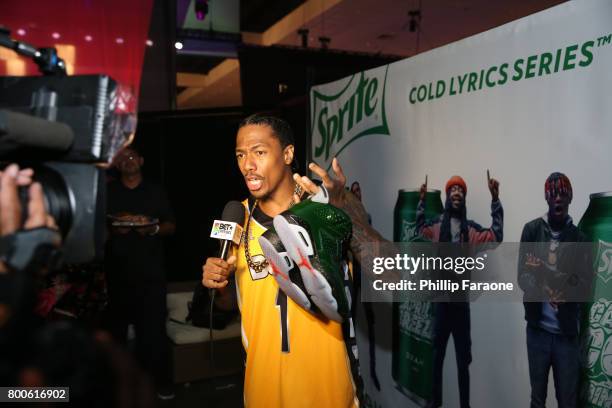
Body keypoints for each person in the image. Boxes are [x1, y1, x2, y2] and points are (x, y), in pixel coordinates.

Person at [202, 114, 387, 407]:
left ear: (288, 154)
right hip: (263, 394)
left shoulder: (329, 206)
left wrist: (346, 215)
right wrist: (219, 283)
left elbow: (393, 276)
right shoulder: (237, 218)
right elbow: (230, 305)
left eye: (259, 152)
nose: (247, 165)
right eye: (240, 155)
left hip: (329, 393)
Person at [416, 173, 503, 408]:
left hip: (461, 305)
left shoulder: (472, 231)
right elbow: (419, 229)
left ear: (464, 197)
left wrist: (495, 200)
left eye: (461, 190)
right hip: (441, 303)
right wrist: (421, 201)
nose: (457, 193)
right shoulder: (435, 227)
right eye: (453, 189)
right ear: (447, 196)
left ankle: (465, 405)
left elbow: (496, 236)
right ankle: (435, 403)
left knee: (463, 360)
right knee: (437, 358)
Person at [105, 146, 176, 399]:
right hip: (116, 275)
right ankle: (117, 389)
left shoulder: (155, 190)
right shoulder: (109, 191)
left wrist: (153, 230)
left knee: (154, 333)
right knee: (116, 336)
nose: (128, 160)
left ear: (142, 161)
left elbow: (170, 225)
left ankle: (161, 384)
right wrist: (113, 230)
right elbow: (98, 228)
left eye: (133, 156)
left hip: (151, 275)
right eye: (123, 157)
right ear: (117, 163)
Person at [518, 172, 590, 408]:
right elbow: (522, 277)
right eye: (553, 193)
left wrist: (565, 293)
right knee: (537, 399)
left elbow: (583, 283)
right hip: (537, 332)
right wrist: (543, 288)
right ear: (547, 198)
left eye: (563, 193)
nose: (558, 197)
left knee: (567, 402)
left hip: (566, 337)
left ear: (570, 198)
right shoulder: (531, 230)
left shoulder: (579, 239)